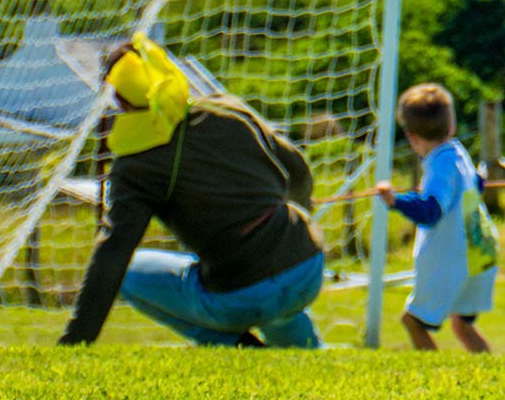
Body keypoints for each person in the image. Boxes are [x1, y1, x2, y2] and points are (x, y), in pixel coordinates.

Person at [59, 35, 323, 347]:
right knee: (278, 295)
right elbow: (299, 171)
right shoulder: (226, 108)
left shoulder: (136, 165)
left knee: (129, 275)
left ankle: (240, 347)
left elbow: (114, 252)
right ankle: (306, 351)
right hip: (307, 267)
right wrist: (298, 213)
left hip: (242, 296)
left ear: (120, 98)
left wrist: (76, 340)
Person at [372, 82, 497, 353]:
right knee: (462, 326)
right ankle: (491, 376)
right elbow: (476, 184)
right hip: (481, 250)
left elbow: (431, 211)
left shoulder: (440, 165)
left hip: (454, 258)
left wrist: (396, 200)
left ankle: (436, 375)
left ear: (411, 136)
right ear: (451, 126)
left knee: (413, 321)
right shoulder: (458, 152)